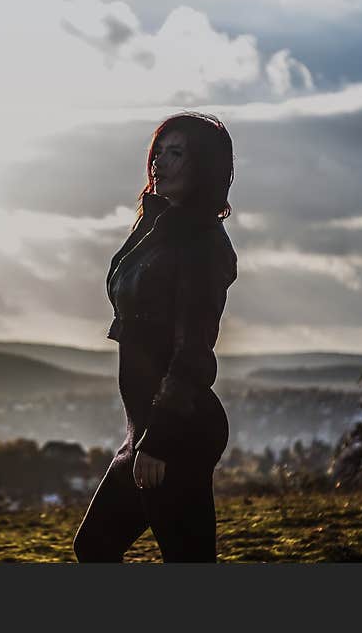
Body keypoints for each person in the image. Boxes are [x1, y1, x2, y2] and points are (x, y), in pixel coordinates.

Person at [73, 111, 237, 563]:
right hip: (145, 431)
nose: (159, 163)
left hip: (174, 431)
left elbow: (193, 352)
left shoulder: (201, 243)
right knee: (95, 547)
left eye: (176, 153)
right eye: (158, 151)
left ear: (203, 165)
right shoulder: (157, 227)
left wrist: (159, 441)